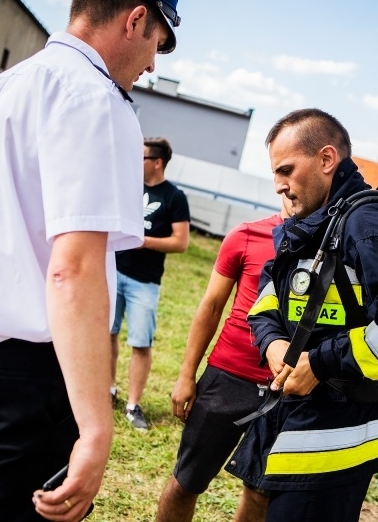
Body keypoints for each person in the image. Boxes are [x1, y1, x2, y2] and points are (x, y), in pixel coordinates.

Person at [0, 0, 180, 520]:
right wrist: (97, 427)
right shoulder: (98, 101)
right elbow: (73, 269)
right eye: (158, 42)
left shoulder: (1, 86)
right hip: (23, 381)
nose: (152, 64)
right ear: (135, 20)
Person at [225, 109, 378, 522]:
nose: (280, 185)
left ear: (327, 159)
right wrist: (274, 343)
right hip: (286, 415)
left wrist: (320, 362)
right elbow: (268, 296)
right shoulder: (309, 222)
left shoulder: (373, 224)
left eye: (287, 170)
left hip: (334, 442)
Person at [156, 196, 293, 522]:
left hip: (286, 389)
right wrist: (186, 375)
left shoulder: (329, 249)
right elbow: (212, 306)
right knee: (185, 482)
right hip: (228, 377)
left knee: (259, 493)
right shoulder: (246, 235)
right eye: (282, 175)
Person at [111, 136, 190, 431]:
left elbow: (180, 242)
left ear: (156, 162)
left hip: (144, 282)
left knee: (140, 343)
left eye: (141, 157)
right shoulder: (128, 187)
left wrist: (141, 241)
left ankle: (133, 404)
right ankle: (109, 389)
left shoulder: (174, 197)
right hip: (113, 271)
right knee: (109, 333)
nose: (136, 162)